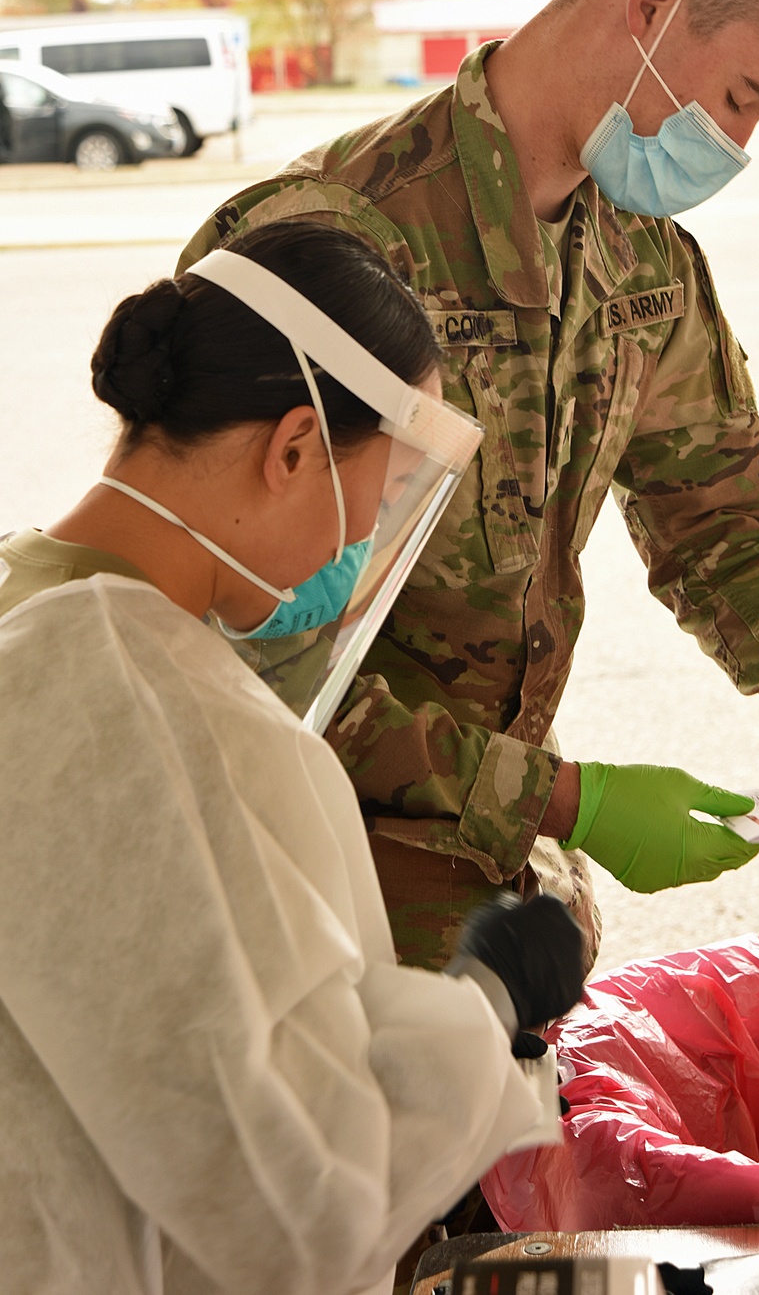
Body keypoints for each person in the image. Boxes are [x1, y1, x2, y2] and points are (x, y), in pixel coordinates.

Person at [177, 0, 759, 975]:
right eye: (738, 103)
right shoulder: (327, 248)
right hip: (302, 902)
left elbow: (720, 534)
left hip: (504, 911)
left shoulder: (643, 265)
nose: (735, 152)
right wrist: (564, 802)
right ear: (652, 4)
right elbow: (237, 645)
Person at [0, 221, 586, 1295]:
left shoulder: (31, 599)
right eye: (385, 484)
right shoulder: (115, 694)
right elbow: (293, 1203)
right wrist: (486, 1003)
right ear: (294, 451)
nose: (361, 538)